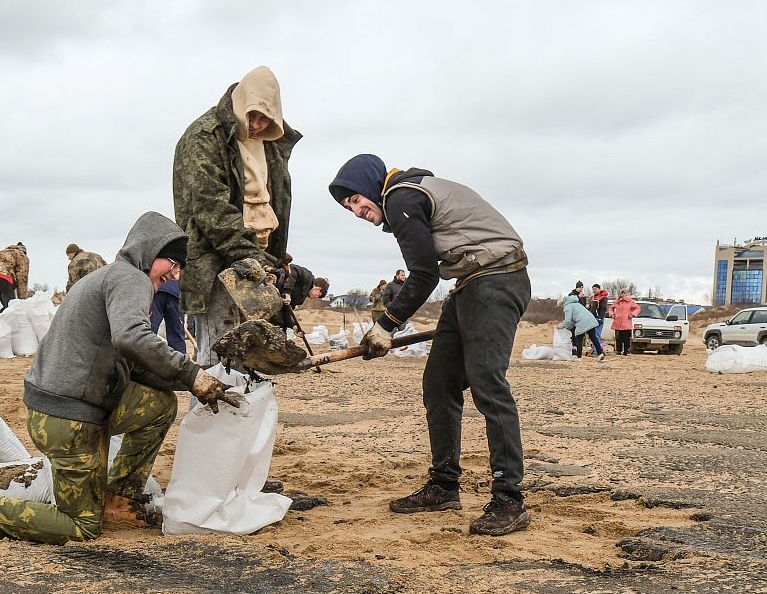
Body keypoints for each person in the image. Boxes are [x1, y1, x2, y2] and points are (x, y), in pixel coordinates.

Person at [0, 212, 243, 543]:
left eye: (179, 267)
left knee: (158, 406)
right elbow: (132, 338)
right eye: (172, 262)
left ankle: (118, 498)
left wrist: (196, 380)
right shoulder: (131, 278)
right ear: (149, 252)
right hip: (68, 420)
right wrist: (191, 373)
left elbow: (135, 361)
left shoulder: (110, 276)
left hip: (64, 406)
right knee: (82, 526)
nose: (175, 273)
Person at [330, 153, 532, 536]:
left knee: (488, 384)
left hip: (497, 278)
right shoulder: (409, 196)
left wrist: (385, 325)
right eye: (349, 208)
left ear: (373, 185)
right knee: (439, 384)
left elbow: (422, 275)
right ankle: (443, 486)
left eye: (356, 199)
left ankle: (509, 498)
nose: (356, 211)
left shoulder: (401, 199)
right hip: (471, 283)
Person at [172, 66, 301, 366]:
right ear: (240, 104)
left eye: (265, 119)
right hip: (215, 263)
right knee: (220, 357)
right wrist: (257, 260)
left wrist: (274, 260)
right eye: (252, 116)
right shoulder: (204, 137)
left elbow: (275, 202)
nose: (256, 125)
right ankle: (213, 414)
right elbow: (211, 211)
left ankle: (248, 414)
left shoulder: (273, 145)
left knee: (254, 357)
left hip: (258, 257)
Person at [560, 293, 603, 360]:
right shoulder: (577, 304)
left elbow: (568, 321)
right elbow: (571, 322)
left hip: (582, 322)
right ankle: (600, 354)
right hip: (591, 319)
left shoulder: (567, 307)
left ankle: (578, 357)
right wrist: (568, 326)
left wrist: (560, 326)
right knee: (593, 337)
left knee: (579, 339)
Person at [150, 278, 186, 354]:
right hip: (173, 291)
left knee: (148, 332)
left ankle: (141, 363)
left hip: (157, 291)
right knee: (176, 336)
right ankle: (179, 363)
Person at [0, 242, 30, 309]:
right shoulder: (21, 255)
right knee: (10, 308)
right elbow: (22, 277)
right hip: (5, 278)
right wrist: (22, 300)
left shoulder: (1, 252)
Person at [608, 289, 640, 355]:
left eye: (624, 293)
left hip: (626, 323)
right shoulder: (617, 301)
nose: (623, 294)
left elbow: (638, 308)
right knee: (618, 338)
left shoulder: (630, 301)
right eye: (621, 293)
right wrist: (612, 314)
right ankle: (618, 350)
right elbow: (611, 308)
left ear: (626, 294)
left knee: (626, 338)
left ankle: (627, 351)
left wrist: (632, 314)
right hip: (617, 322)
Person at [588, 284, 609, 355]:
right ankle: (597, 349)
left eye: (595, 289)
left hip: (599, 318)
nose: (594, 291)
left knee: (597, 334)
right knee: (593, 335)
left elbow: (603, 308)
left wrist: (600, 317)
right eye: (593, 289)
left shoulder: (603, 297)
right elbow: (591, 308)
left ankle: (597, 351)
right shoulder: (593, 298)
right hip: (592, 318)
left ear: (599, 289)